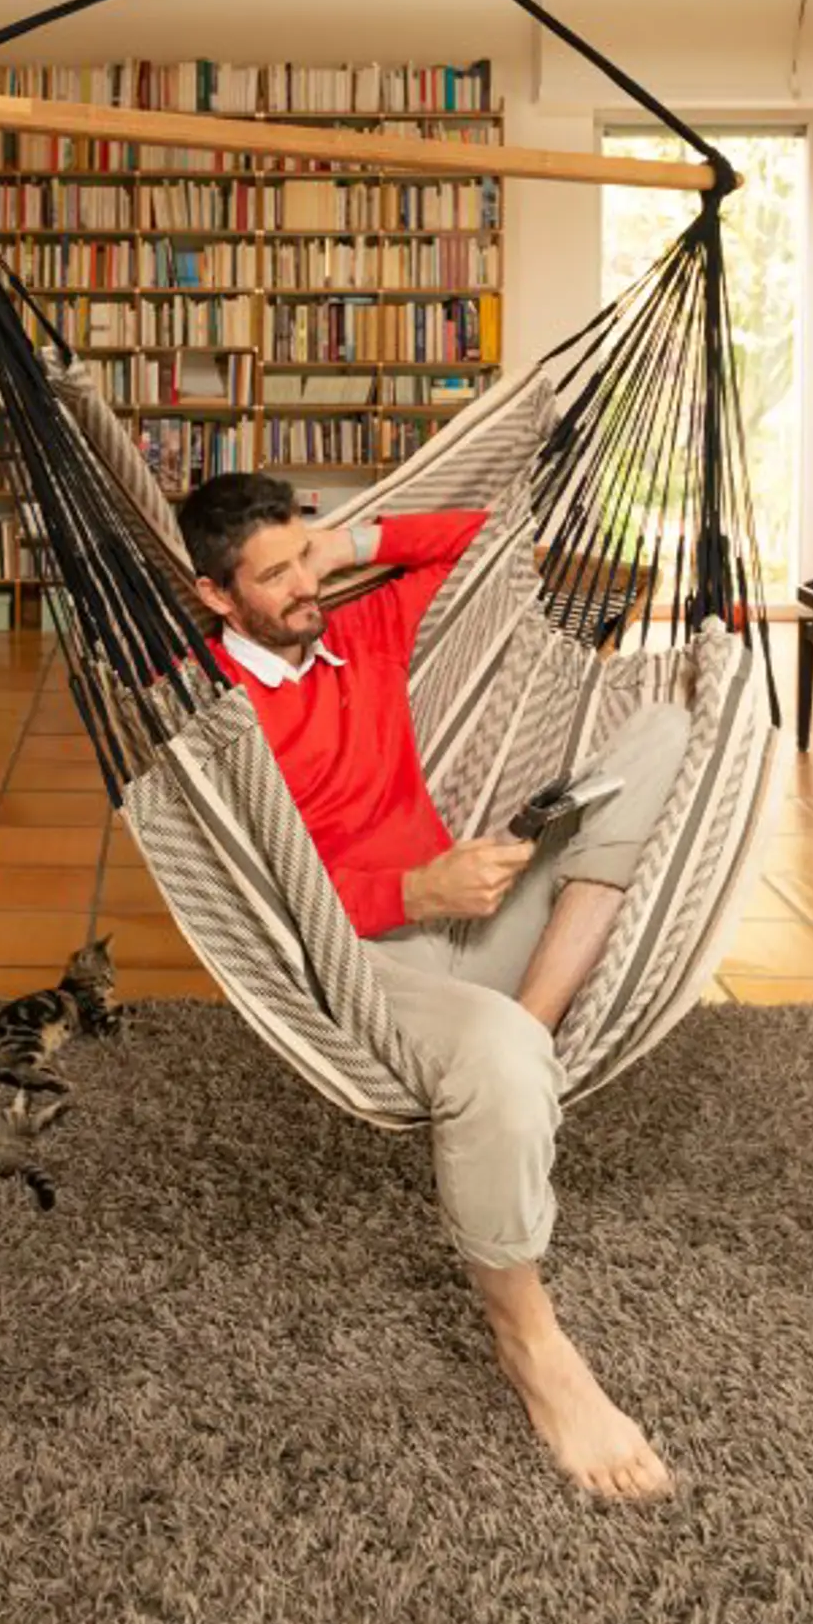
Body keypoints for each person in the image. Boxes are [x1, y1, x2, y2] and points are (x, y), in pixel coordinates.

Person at [174, 470, 694, 1505]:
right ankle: (531, 1341)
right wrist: (414, 889)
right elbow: (256, 898)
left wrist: (343, 541)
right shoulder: (209, 716)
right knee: (492, 1056)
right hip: (361, 960)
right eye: (273, 576)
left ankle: (525, 1032)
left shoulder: (358, 629)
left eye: (305, 556)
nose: (304, 586)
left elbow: (490, 539)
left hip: (471, 915)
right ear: (215, 596)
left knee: (667, 732)